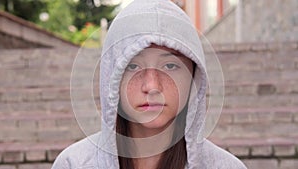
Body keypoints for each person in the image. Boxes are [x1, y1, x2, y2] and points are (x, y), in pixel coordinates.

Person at [52, 0, 247, 168]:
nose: (152, 85)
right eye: (133, 66)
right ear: (112, 78)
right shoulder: (74, 164)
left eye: (170, 65)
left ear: (194, 77)